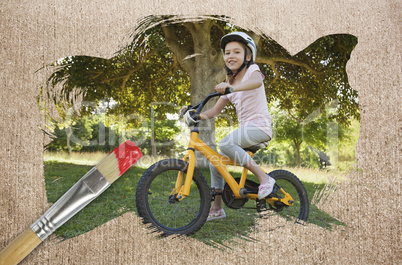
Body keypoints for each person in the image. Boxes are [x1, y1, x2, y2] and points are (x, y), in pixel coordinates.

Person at [180, 32, 275, 221]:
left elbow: (257, 82)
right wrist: (194, 113)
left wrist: (232, 88)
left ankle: (265, 179)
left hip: (260, 127)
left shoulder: (252, 71)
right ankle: (217, 208)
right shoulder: (229, 83)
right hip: (245, 130)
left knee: (224, 143)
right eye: (227, 52)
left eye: (237, 52)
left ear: (248, 56)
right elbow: (214, 111)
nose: (230, 56)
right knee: (215, 159)